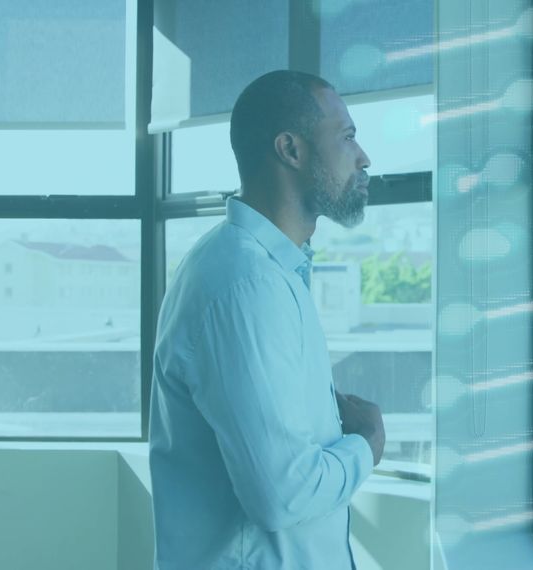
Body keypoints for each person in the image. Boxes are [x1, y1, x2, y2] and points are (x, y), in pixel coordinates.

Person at [149, 70, 386, 570]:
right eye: (347, 137)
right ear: (291, 150)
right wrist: (367, 446)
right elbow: (281, 495)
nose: (363, 157)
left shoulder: (262, 271)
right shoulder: (244, 285)